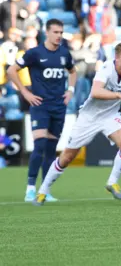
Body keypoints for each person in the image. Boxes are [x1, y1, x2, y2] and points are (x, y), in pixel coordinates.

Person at [32, 43, 121, 205]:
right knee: (67, 157)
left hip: (110, 116)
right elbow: (95, 92)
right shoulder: (107, 69)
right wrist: (120, 96)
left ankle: (112, 182)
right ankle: (43, 191)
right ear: (117, 57)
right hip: (89, 117)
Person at [6, 19, 76, 203]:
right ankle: (30, 189)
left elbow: (73, 71)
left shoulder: (64, 53)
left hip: (58, 107)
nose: (59, 36)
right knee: (39, 146)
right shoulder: (35, 53)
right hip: (40, 106)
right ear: (47, 33)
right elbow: (11, 70)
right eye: (56, 32)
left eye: (61, 32)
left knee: (52, 150)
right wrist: (25, 92)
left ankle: (45, 190)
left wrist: (71, 91)